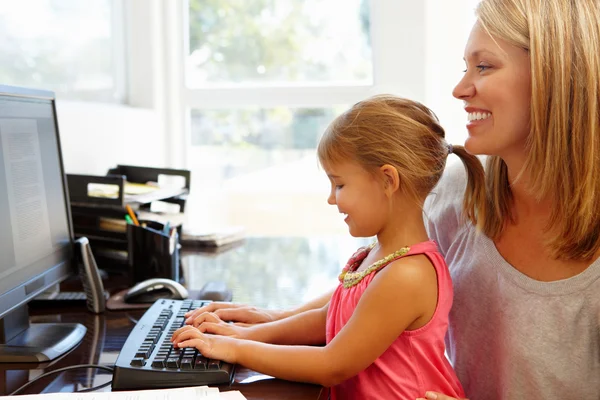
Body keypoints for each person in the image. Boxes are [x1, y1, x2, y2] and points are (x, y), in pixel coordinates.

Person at [183, 0, 600, 399]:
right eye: (465, 67)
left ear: (555, 76)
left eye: (484, 66)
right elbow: (376, 288)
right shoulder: (456, 192)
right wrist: (274, 318)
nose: (459, 88)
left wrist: (246, 344)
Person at [172, 95, 488, 399]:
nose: (332, 198)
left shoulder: (408, 274)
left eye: (340, 184)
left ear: (388, 180)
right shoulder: (376, 256)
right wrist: (248, 328)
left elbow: (332, 365)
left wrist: (235, 349)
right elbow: (330, 317)